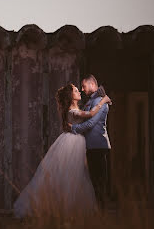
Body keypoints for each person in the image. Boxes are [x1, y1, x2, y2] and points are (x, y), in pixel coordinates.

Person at [13, 83, 111, 218]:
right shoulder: (73, 111)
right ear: (71, 96)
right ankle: (65, 208)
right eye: (76, 91)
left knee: (77, 174)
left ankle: (72, 209)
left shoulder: (75, 108)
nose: (79, 92)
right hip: (73, 142)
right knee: (71, 174)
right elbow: (90, 114)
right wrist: (103, 101)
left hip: (76, 141)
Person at [67, 74, 111, 209]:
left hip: (97, 145)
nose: (82, 89)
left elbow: (91, 123)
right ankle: (96, 209)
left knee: (99, 181)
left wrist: (74, 128)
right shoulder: (92, 102)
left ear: (92, 85)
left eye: (84, 86)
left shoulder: (100, 101)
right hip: (91, 146)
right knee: (93, 180)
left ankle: (101, 211)